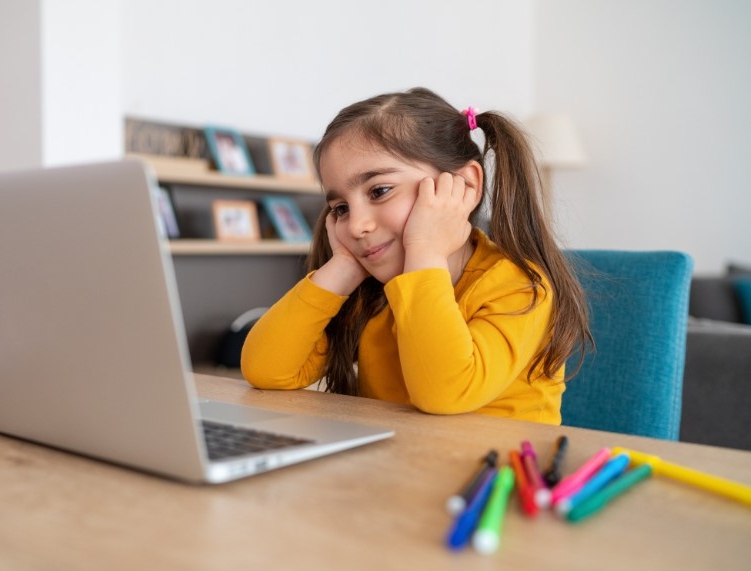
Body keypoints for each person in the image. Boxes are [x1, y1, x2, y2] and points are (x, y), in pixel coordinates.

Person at [240, 87, 593, 424]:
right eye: (341, 208)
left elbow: (445, 393)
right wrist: (343, 267)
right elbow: (266, 370)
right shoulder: (374, 292)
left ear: (464, 185)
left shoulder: (518, 286)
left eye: (379, 191)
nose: (357, 225)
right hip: (403, 471)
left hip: (499, 478)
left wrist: (425, 251)